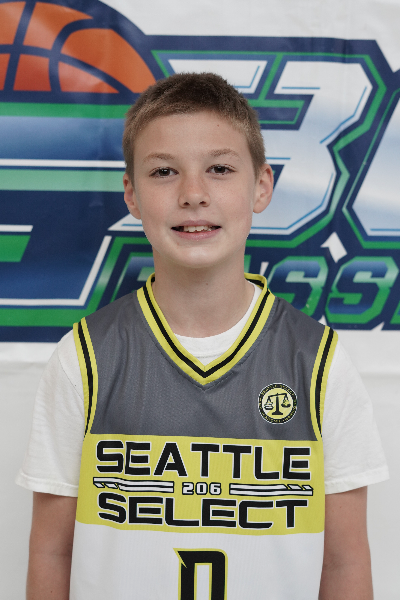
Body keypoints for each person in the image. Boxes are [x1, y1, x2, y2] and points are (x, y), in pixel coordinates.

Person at [17, 73, 388, 600]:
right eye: (164, 171)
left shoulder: (318, 362)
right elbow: (52, 552)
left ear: (261, 186)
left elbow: (345, 563)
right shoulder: (86, 357)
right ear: (132, 194)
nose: (193, 194)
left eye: (219, 169)